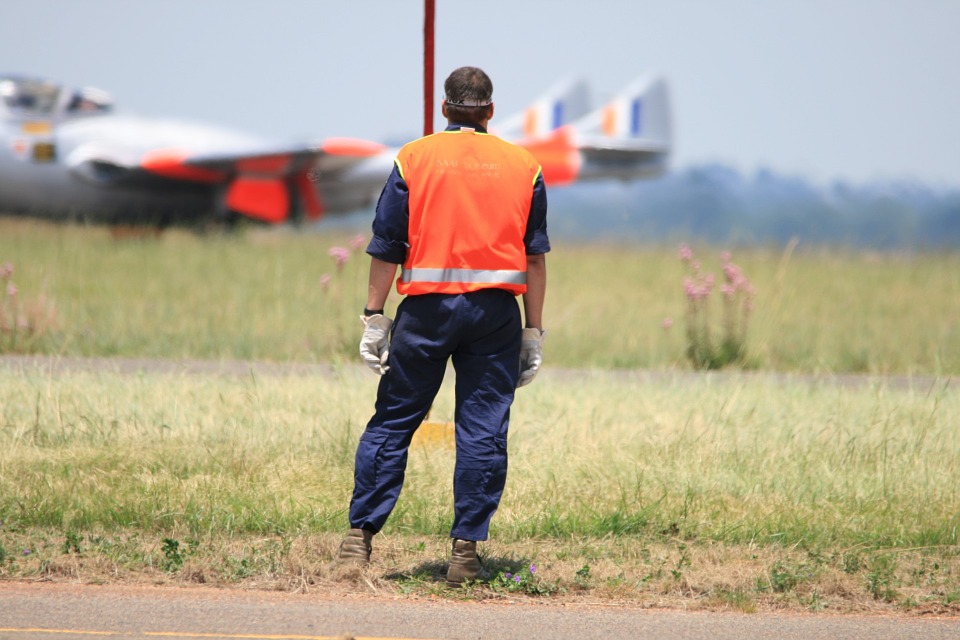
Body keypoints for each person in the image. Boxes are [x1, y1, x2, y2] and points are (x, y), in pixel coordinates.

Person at [337, 66, 549, 587]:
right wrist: (533, 331)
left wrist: (373, 316)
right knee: (482, 429)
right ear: (491, 111)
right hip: (495, 316)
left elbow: (387, 245)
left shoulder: (413, 158)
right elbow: (535, 258)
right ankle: (465, 551)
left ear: (445, 108)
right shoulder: (525, 165)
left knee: (393, 421)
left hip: (426, 314)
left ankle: (357, 541)